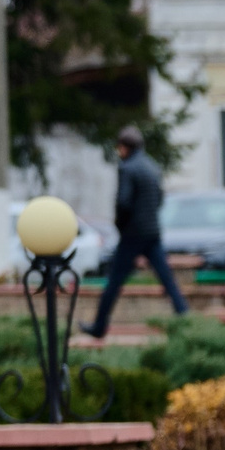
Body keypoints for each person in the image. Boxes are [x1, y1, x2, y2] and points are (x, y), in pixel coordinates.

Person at [81, 125, 189, 337]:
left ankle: (99, 327)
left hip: (133, 234)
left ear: (125, 147)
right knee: (167, 280)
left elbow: (123, 202)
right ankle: (186, 320)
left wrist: (120, 225)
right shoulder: (152, 166)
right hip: (152, 232)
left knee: (113, 282)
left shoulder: (127, 168)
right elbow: (159, 199)